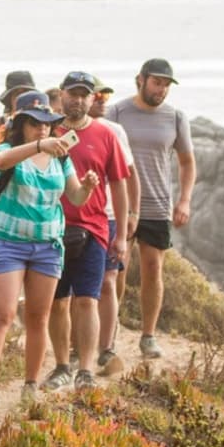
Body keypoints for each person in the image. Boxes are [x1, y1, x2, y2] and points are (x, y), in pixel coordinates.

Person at [0, 91, 98, 408]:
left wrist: (87, 186)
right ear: (21, 125)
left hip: (48, 245)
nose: (43, 129)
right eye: (34, 123)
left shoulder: (61, 156)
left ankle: (30, 385)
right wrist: (39, 146)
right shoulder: (8, 149)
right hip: (8, 241)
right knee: (2, 314)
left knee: (38, 318)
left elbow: (75, 197)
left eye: (47, 124)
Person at [38, 72, 129, 393]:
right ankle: (62, 366)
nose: (78, 99)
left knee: (88, 300)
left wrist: (121, 235)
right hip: (50, 229)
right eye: (72, 93)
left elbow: (119, 185)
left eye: (84, 94)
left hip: (94, 228)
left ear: (92, 98)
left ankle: (86, 370)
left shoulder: (106, 135)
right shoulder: (47, 131)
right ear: (61, 94)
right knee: (58, 302)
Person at [105, 59, 195, 360]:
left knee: (153, 270)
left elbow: (187, 163)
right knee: (117, 268)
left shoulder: (176, 117)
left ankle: (148, 336)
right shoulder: (117, 112)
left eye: (167, 84)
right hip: (121, 204)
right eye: (157, 82)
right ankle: (110, 332)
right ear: (140, 80)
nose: (162, 89)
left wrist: (184, 200)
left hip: (157, 205)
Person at [88, 80, 139, 374]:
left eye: (105, 95)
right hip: (73, 217)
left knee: (108, 281)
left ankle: (106, 348)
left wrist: (132, 214)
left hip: (107, 215)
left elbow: (129, 175)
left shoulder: (114, 131)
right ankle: (77, 347)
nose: (102, 100)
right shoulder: (60, 129)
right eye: (96, 94)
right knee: (75, 288)